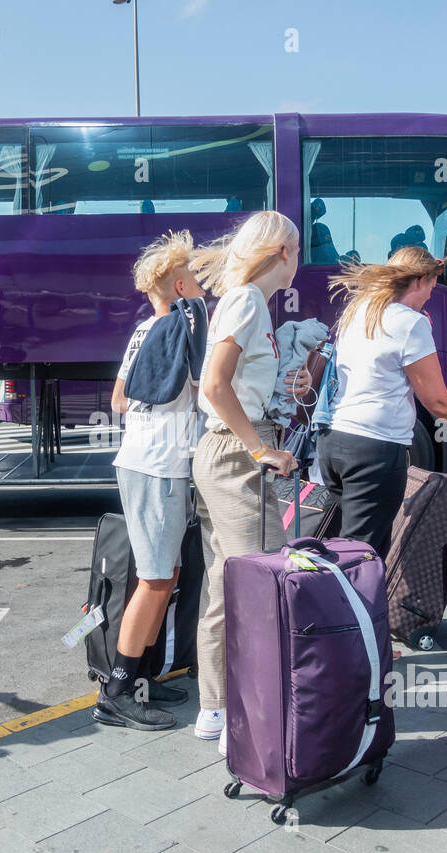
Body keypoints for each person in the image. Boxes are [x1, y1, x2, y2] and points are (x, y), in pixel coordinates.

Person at [188, 211, 308, 747]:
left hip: (227, 451)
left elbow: (230, 383)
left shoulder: (247, 302)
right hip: (239, 454)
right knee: (263, 583)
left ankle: (217, 709)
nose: (300, 261)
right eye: (298, 250)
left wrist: (293, 384)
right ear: (283, 251)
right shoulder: (247, 301)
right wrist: (262, 449)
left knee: (227, 586)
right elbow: (214, 387)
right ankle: (247, 717)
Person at [318, 246, 447, 556]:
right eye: (431, 284)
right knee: (362, 555)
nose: (432, 293)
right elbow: (437, 402)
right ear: (419, 280)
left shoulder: (361, 309)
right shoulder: (409, 323)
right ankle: (356, 605)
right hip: (374, 447)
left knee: (343, 544)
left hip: (333, 443)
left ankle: (339, 601)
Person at [94, 231, 203, 731]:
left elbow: (118, 400)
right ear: (181, 285)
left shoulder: (143, 331)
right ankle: (117, 691)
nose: (203, 287)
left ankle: (139, 675)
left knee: (166, 577)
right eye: (197, 279)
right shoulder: (180, 332)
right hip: (158, 464)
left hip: (143, 459)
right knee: (157, 579)